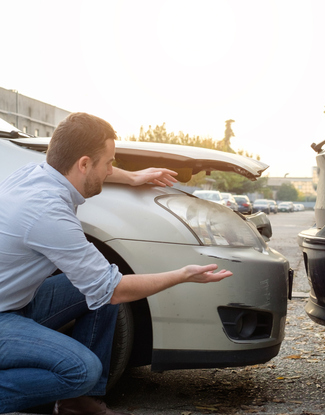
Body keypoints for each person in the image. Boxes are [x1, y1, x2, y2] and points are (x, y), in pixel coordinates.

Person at [0, 112, 233, 415]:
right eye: (109, 163)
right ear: (84, 164)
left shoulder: (35, 174)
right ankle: (73, 387)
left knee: (96, 286)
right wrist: (181, 275)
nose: (112, 170)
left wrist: (134, 177)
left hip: (15, 304)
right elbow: (114, 291)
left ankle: (75, 402)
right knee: (81, 369)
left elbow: (102, 287)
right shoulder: (47, 211)